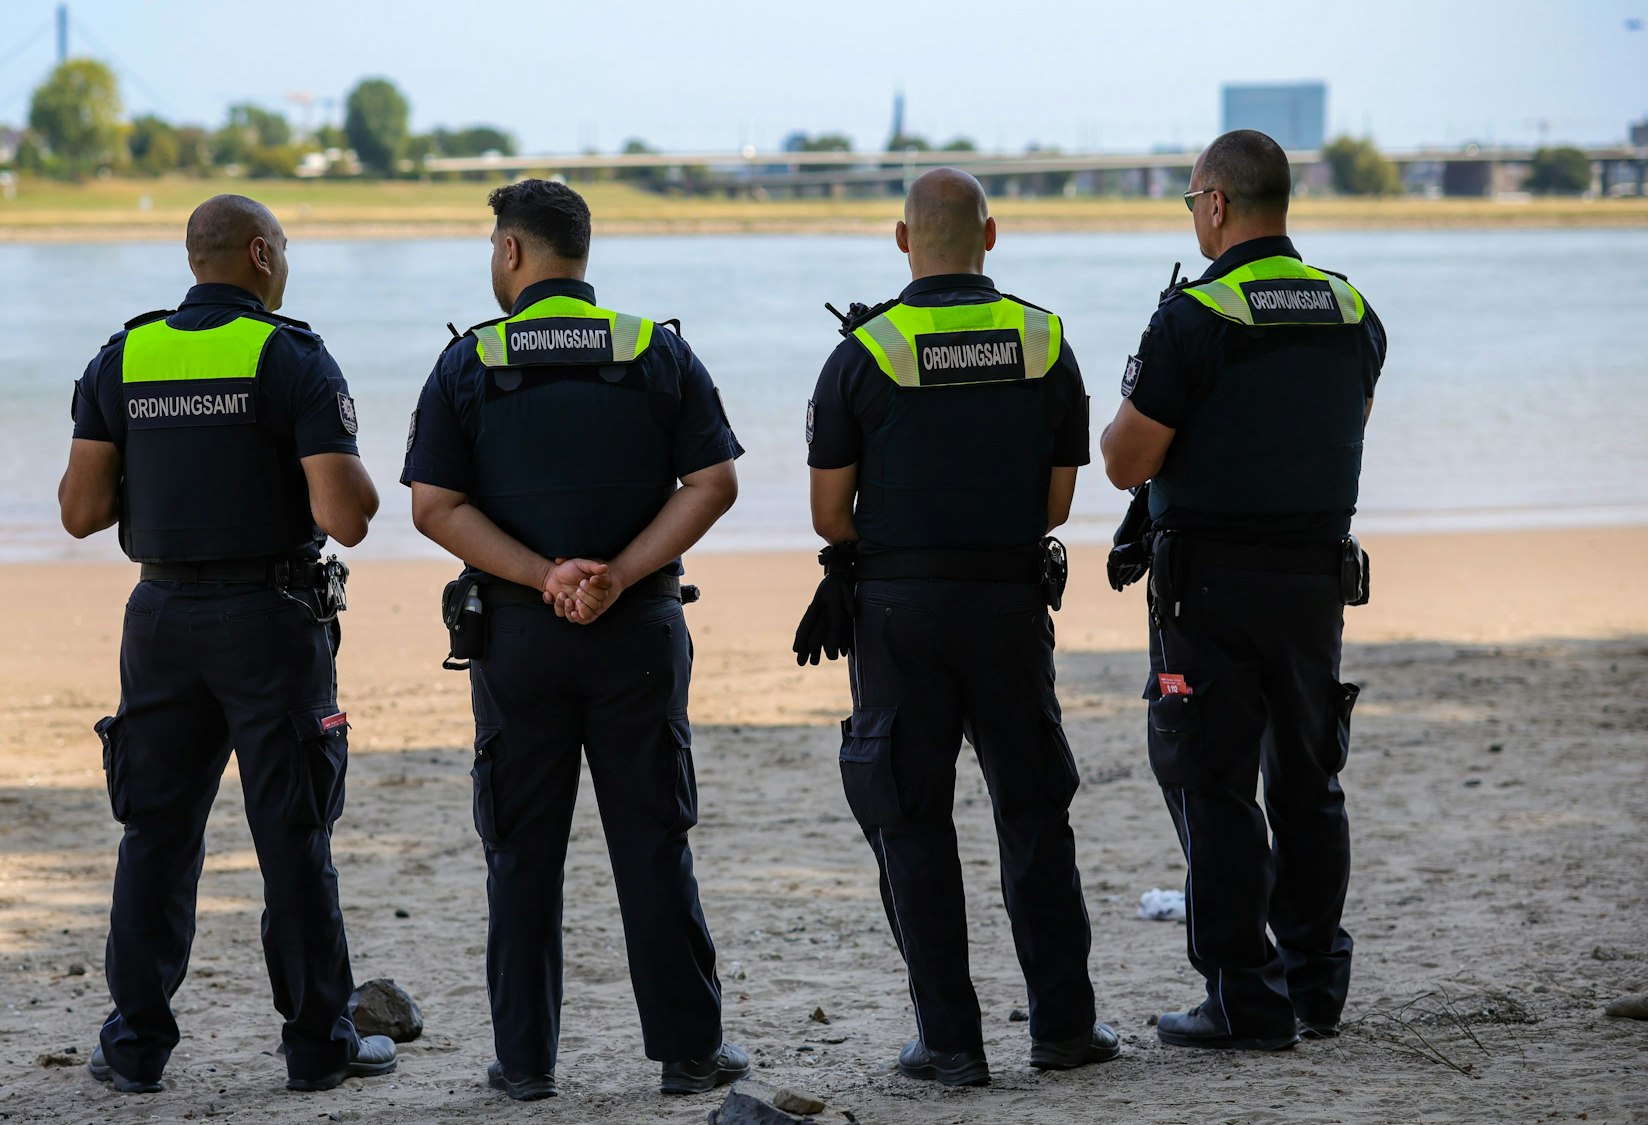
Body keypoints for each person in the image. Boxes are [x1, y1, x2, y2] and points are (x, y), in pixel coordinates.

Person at [401, 179, 749, 1101]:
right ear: (581, 254)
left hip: (519, 641)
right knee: (653, 841)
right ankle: (688, 1055)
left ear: (512, 254)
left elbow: (434, 506)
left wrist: (540, 576)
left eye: (492, 248)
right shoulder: (655, 350)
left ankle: (525, 1065)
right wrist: (619, 574)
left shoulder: (469, 362)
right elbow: (712, 484)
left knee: (520, 852)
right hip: (635, 631)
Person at [57, 193, 393, 1094]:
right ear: (257, 253)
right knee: (292, 838)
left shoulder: (123, 355)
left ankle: (133, 1048)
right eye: (283, 248)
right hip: (270, 622)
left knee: (155, 836)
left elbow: (81, 511)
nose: (286, 261)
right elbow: (345, 519)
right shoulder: (290, 356)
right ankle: (320, 1047)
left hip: (160, 619)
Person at [801, 167, 1119, 1086]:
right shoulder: (1045, 339)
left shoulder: (864, 351)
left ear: (904, 241)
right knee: (1034, 814)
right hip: (1011, 606)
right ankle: (1063, 1027)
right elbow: (1057, 502)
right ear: (992, 235)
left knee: (912, 820)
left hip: (899, 615)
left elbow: (830, 517)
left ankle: (950, 1042)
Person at [1100, 130, 1387, 1051]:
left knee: (1211, 780)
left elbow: (1124, 461)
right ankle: (1315, 983)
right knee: (1310, 778)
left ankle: (1244, 998)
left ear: (1216, 205)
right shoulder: (1353, 310)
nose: (1195, 219)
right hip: (1314, 582)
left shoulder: (1195, 317)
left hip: (1210, 589)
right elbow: (1347, 424)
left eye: (1192, 204)